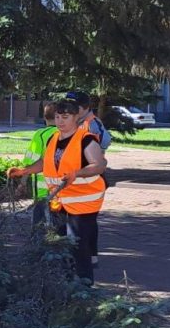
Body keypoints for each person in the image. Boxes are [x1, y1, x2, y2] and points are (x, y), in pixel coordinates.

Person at [7, 98, 107, 285]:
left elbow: (99, 165)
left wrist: (77, 173)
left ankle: (84, 287)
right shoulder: (54, 138)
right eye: (58, 117)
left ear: (76, 117)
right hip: (59, 201)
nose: (60, 121)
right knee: (59, 245)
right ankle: (65, 284)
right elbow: (45, 163)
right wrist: (25, 171)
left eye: (65, 117)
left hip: (83, 202)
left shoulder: (86, 140)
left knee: (77, 246)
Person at [67, 91, 110, 268]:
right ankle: (81, 256)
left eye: (74, 105)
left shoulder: (92, 124)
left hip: (89, 179)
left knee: (85, 220)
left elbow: (102, 146)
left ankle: (87, 258)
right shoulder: (76, 122)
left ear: (85, 107)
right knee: (76, 219)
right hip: (76, 178)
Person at [22, 103, 58, 224]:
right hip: (63, 190)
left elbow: (30, 161)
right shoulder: (67, 133)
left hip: (43, 191)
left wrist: (22, 182)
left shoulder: (40, 135)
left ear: (44, 117)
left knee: (39, 224)